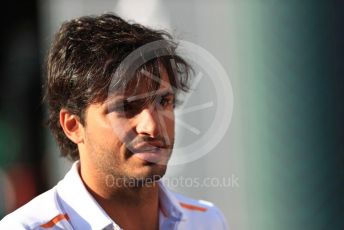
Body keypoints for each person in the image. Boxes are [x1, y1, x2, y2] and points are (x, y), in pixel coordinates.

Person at [0, 13, 228, 230]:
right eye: (125, 107)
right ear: (72, 125)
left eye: (163, 101)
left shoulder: (206, 220)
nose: (152, 126)